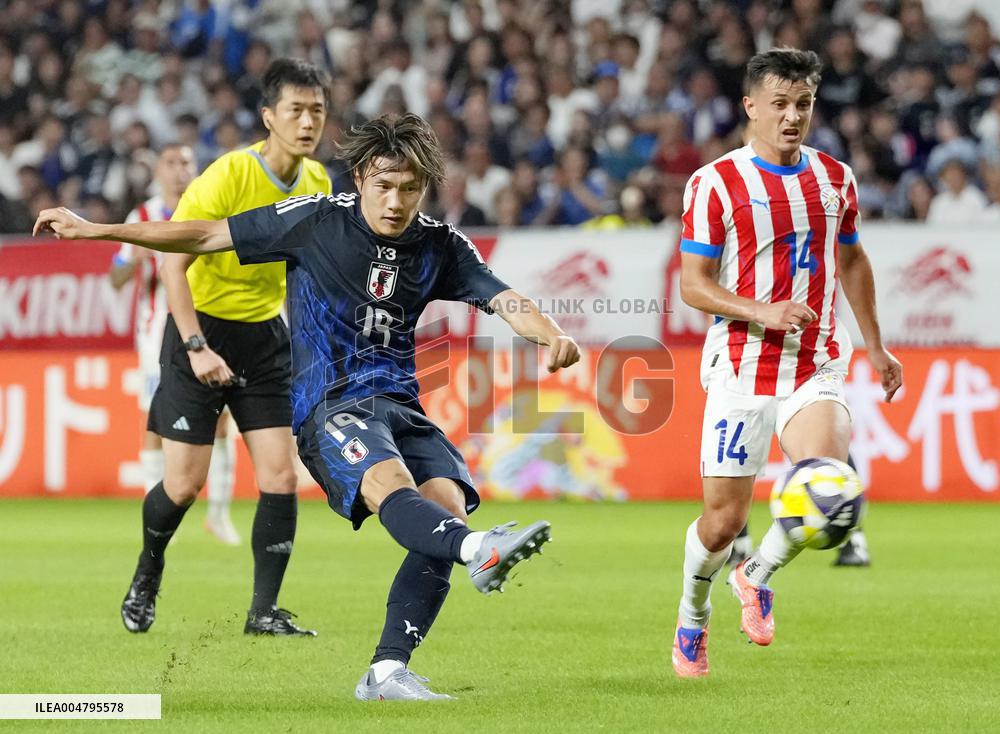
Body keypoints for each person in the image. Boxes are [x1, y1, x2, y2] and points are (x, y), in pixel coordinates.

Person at [34, 112, 580, 700]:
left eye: (410, 188)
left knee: (445, 511)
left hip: (399, 404)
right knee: (399, 490)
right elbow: (205, 235)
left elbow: (505, 298)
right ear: (365, 177)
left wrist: (550, 335)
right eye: (385, 186)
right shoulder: (317, 219)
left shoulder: (441, 245)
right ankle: (480, 551)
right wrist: (99, 230)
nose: (396, 202)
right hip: (331, 407)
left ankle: (388, 671)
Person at [672, 48, 902, 678]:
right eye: (779, 104)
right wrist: (759, 310)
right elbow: (692, 285)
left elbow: (851, 260)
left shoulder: (835, 178)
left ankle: (759, 573)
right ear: (751, 107)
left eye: (802, 104)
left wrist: (875, 343)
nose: (793, 116)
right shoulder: (715, 182)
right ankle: (693, 618)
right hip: (740, 367)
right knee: (722, 524)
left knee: (829, 482)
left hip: (815, 362)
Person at [114, 58, 334, 637]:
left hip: (264, 337)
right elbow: (172, 262)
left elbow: (303, 272)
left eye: (317, 110)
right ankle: (148, 569)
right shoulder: (228, 176)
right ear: (269, 117)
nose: (308, 121)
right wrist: (194, 346)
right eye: (296, 109)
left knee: (281, 477)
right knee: (184, 483)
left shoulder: (318, 183)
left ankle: (263, 611)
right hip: (200, 330)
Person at [108, 144, 241, 546]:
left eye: (186, 162)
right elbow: (115, 278)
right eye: (172, 163)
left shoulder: (210, 207)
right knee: (157, 418)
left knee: (222, 417)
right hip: (157, 336)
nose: (180, 170)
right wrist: (135, 257)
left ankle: (219, 514)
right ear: (158, 172)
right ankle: (157, 512)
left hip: (210, 329)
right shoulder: (143, 217)